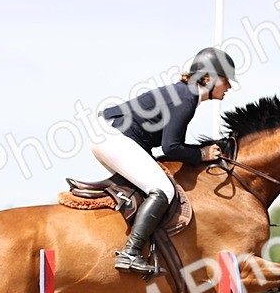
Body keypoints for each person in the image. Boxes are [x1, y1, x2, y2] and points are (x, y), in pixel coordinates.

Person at [92, 46, 236, 274]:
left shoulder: (185, 94)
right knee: (163, 189)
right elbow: (171, 146)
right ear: (208, 79)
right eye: (225, 80)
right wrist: (202, 154)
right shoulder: (186, 98)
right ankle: (130, 253)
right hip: (114, 137)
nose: (229, 86)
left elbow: (170, 146)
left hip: (111, 134)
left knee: (150, 183)